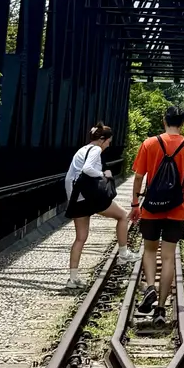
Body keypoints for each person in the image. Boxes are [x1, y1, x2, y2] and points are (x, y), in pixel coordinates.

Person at [128, 105, 184, 323]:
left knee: (149, 251)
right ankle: (160, 308)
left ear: (164, 120)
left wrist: (134, 204)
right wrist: (182, 185)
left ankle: (150, 286)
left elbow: (139, 176)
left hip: (151, 207)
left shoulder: (149, 143)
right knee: (169, 257)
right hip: (176, 209)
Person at [63, 123, 139, 288]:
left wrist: (73, 200)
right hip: (90, 198)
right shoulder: (96, 150)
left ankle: (73, 278)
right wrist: (104, 174)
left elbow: (70, 177)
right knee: (123, 216)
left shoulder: (82, 150)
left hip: (77, 199)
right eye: (108, 142)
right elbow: (88, 169)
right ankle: (124, 253)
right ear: (102, 140)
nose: (108, 145)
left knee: (80, 238)